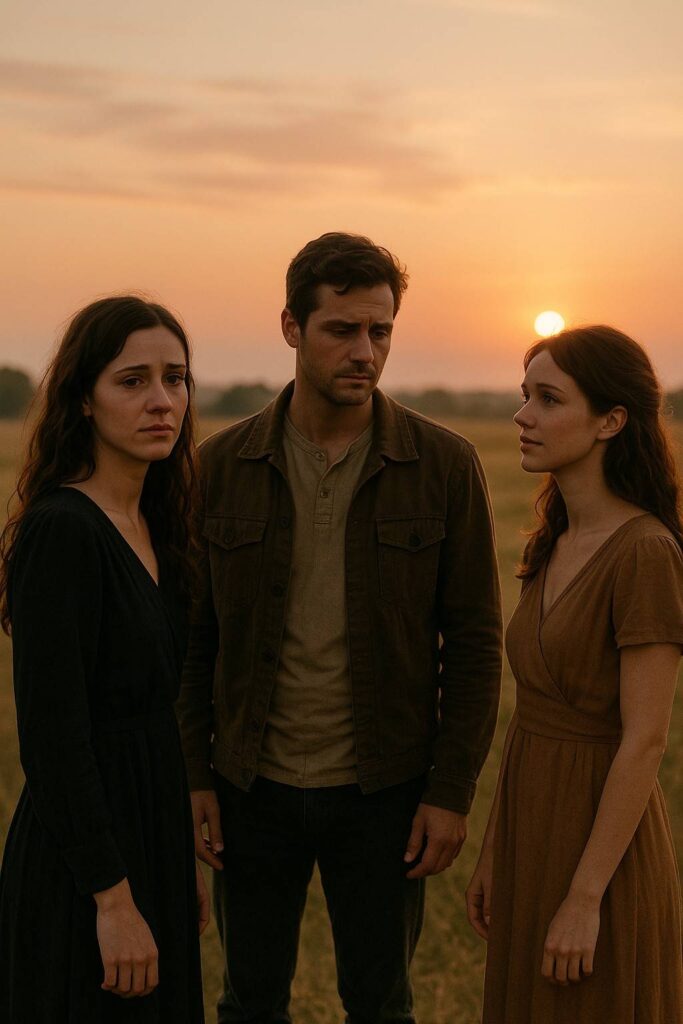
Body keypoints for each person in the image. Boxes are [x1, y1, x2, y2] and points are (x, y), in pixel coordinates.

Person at [177, 231, 503, 1023]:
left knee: (380, 1004)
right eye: (342, 329)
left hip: (384, 790)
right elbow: (190, 640)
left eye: (379, 331)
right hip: (250, 785)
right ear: (291, 327)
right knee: (248, 1002)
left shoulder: (443, 465)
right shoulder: (218, 466)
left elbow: (473, 645)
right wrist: (193, 776)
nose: (364, 351)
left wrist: (449, 793)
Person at [466, 325, 683, 1022]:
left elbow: (645, 740)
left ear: (610, 422)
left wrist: (586, 898)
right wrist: (496, 850)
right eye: (523, 395)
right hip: (530, 828)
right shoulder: (554, 540)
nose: (521, 415)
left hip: (600, 851)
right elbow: (532, 713)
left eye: (548, 399)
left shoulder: (644, 552)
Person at [0, 296, 207, 1022]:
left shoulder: (157, 525)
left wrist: (174, 860)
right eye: (132, 381)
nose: (162, 401)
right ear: (83, 399)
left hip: (152, 836)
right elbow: (54, 740)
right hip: (84, 868)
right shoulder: (62, 532)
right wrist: (112, 900)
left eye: (175, 379)